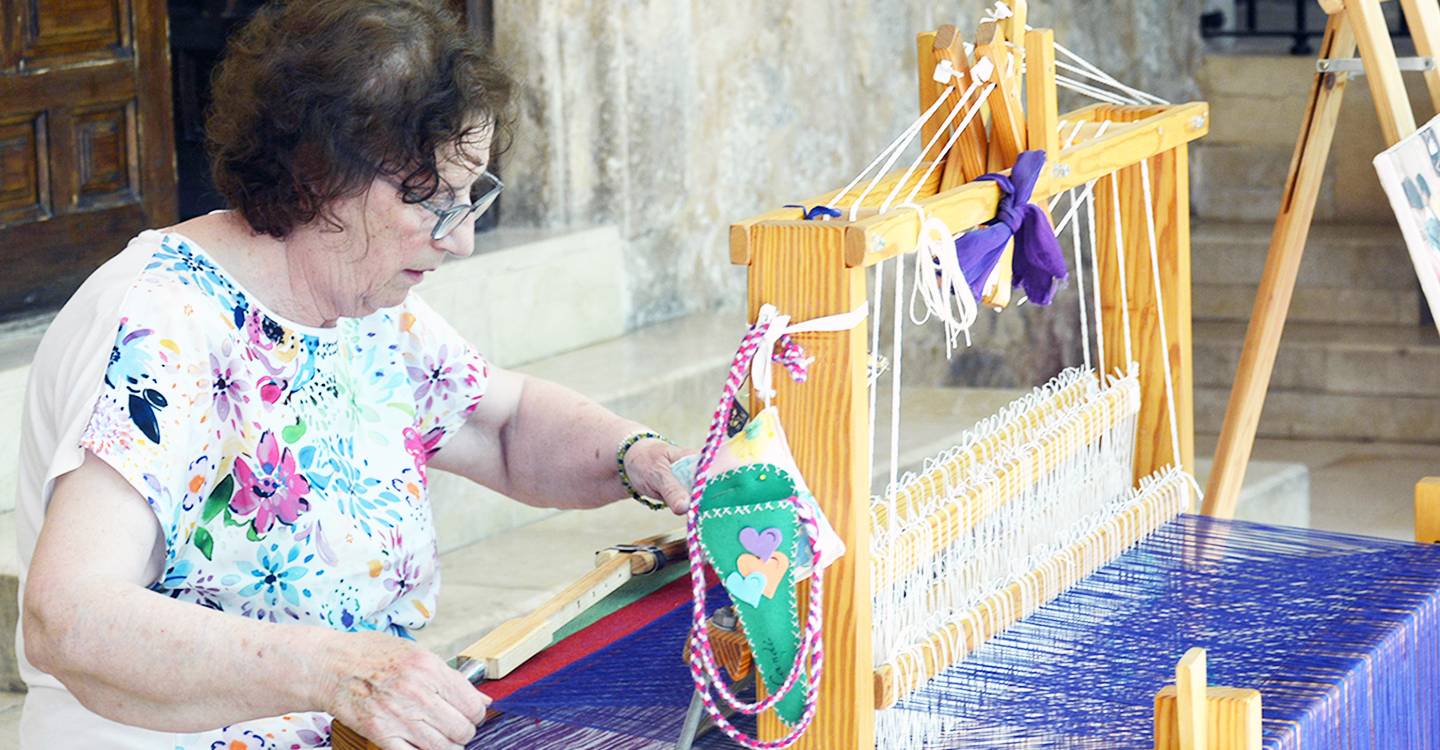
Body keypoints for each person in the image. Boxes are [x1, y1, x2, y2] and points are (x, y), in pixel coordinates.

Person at [14, 2, 693, 748]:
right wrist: (336, 672)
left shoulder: (361, 304)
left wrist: (646, 459)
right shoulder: (160, 323)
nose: (462, 238)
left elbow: (501, 427)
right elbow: (69, 616)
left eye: (471, 194)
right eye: (433, 197)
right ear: (321, 175)